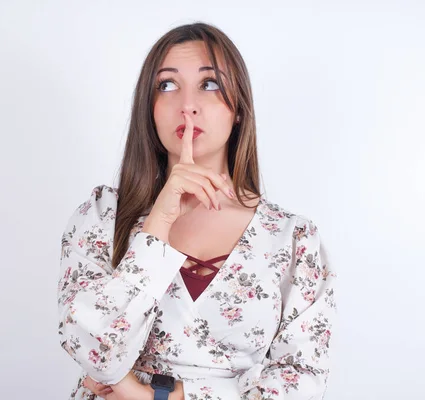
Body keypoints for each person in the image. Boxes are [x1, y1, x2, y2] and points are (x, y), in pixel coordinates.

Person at [57, 22, 337, 400]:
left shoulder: (294, 240)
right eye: (167, 85)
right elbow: (94, 353)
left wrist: (156, 395)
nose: (187, 104)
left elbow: (302, 381)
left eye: (210, 84)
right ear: (149, 108)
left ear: (239, 109)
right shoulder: (103, 216)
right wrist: (159, 220)